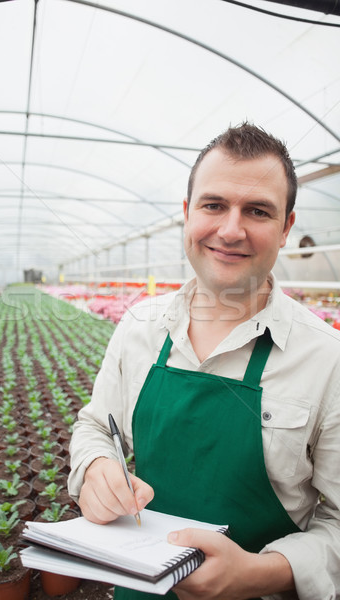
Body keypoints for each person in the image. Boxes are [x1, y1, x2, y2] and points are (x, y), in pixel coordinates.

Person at [68, 122, 340, 600]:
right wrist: (95, 467)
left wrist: (261, 573)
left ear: (286, 229)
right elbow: (95, 425)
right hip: (142, 588)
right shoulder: (139, 328)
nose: (230, 230)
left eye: (257, 210)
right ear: (188, 213)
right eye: (214, 205)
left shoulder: (326, 359)